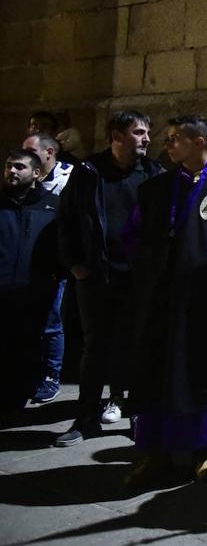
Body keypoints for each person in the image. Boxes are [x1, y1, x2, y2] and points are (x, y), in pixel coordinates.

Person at [125, 115, 207, 487]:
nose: (167, 145)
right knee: (158, 371)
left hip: (205, 300)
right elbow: (133, 235)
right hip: (161, 299)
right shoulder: (155, 189)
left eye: (174, 139)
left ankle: (202, 450)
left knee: (201, 370)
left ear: (199, 143)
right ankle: (156, 452)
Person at [55, 111, 163, 445]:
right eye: (138, 132)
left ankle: (136, 416)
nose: (146, 139)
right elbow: (67, 220)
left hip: (139, 278)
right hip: (98, 276)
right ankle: (86, 418)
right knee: (95, 348)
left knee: (137, 348)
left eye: (147, 133)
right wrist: (75, 264)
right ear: (116, 136)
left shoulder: (153, 173)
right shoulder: (89, 172)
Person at [1, 149, 60, 408]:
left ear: (36, 173)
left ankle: (20, 396)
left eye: (19, 167)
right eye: (8, 166)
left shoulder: (51, 206)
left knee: (29, 345)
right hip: (3, 288)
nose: (12, 171)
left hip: (35, 289)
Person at [22, 133, 73, 402]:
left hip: (59, 262)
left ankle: (51, 375)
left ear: (49, 152)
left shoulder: (70, 178)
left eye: (31, 151)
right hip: (31, 262)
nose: (25, 158)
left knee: (52, 322)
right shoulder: (29, 178)